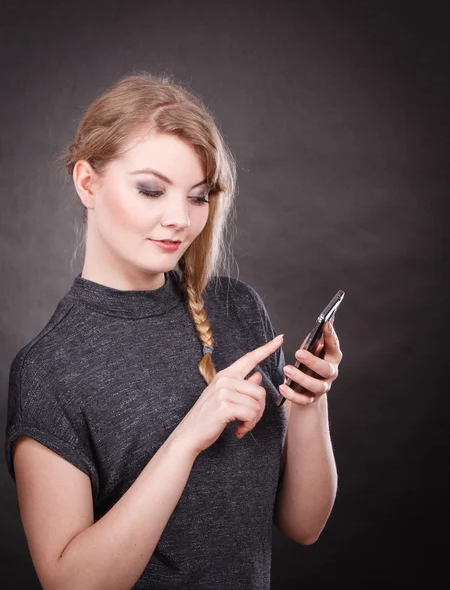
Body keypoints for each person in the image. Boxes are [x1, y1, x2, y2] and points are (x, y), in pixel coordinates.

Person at [4, 72, 343, 590]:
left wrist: (308, 402)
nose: (180, 220)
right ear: (87, 184)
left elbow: (304, 525)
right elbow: (71, 583)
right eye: (151, 190)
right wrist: (187, 437)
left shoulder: (238, 309)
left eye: (198, 196)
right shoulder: (49, 369)